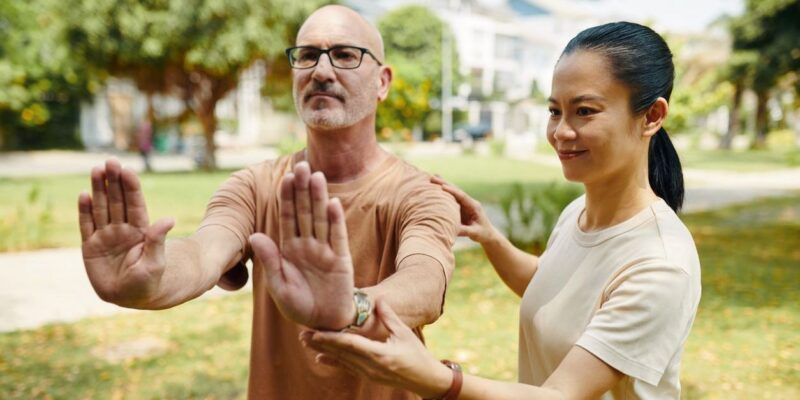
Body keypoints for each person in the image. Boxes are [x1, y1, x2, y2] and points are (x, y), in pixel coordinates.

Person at [301, 22, 702, 399]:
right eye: (554, 110)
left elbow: (559, 395)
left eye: (585, 111)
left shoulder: (661, 265)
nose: (561, 131)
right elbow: (555, 292)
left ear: (652, 116)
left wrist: (435, 378)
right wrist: (490, 237)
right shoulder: (578, 213)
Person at [77, 5, 459, 399]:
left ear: (383, 81)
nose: (321, 71)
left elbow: (424, 282)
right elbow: (206, 250)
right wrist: (150, 281)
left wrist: (351, 307)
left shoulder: (420, 193)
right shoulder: (255, 185)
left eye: (345, 55)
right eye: (308, 55)